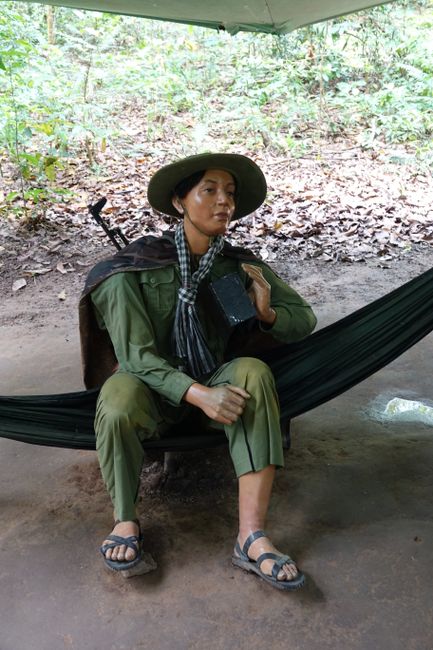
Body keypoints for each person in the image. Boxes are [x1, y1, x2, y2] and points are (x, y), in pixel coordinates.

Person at [79, 152, 317, 591]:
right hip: (153, 394)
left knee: (253, 371)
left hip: (216, 385)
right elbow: (136, 358)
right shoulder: (127, 270)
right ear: (179, 201)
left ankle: (251, 535)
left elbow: (303, 318)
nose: (223, 201)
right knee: (117, 398)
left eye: (229, 192)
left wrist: (266, 314)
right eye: (209, 190)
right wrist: (197, 394)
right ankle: (125, 522)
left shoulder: (236, 266)